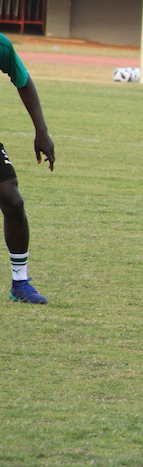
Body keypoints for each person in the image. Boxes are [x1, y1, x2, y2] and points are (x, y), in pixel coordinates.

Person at [0, 35, 54, 305]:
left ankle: (20, 282)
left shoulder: (1, 45)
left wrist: (41, 131)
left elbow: (24, 82)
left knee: (12, 199)